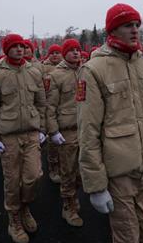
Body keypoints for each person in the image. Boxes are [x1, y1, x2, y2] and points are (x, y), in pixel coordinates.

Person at [77, 3, 143, 243]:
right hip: (118, 175)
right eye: (127, 25)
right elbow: (89, 131)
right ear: (113, 30)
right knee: (128, 238)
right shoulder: (94, 70)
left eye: (137, 24)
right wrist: (96, 186)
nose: (135, 29)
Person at [0, 34, 46, 243]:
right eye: (15, 46)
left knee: (34, 176)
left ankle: (25, 206)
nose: (20, 49)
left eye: (22, 46)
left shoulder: (34, 72)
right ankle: (14, 219)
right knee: (12, 180)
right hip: (8, 137)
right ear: (6, 49)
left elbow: (41, 104)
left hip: (31, 133)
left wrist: (43, 128)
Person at [45, 38, 83, 227]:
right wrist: (53, 131)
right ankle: (68, 205)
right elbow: (49, 106)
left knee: (81, 171)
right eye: (72, 50)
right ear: (64, 53)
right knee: (68, 171)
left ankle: (75, 196)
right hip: (66, 131)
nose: (76, 53)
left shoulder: (85, 72)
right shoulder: (56, 75)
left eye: (78, 49)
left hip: (85, 130)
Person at [42, 44, 63, 183]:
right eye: (52, 52)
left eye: (58, 52)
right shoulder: (43, 68)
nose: (55, 55)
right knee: (52, 139)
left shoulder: (66, 68)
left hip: (65, 108)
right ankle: (53, 165)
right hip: (49, 105)